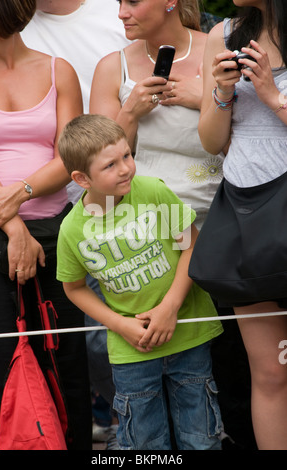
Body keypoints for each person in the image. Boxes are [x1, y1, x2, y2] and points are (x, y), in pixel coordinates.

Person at [56, 113, 224, 450]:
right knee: (145, 442)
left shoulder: (153, 191)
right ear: (81, 178)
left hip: (188, 334)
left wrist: (169, 308)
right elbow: (73, 288)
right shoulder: (71, 230)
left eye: (127, 156)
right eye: (110, 165)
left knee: (200, 438)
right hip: (132, 349)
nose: (125, 168)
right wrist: (120, 325)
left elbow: (191, 246)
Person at [21, 0, 131, 447]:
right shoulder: (12, 24)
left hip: (129, 195)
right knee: (85, 343)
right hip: (58, 215)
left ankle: (142, 427)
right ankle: (124, 422)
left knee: (127, 331)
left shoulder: (116, 11)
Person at [0, 0, 91, 450]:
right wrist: (14, 229)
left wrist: (20, 193)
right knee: (3, 359)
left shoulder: (58, 71)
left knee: (66, 359)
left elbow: (70, 154)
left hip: (57, 230)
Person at [197, 0, 287, 450]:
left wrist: (272, 95)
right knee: (270, 371)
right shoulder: (225, 33)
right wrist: (224, 92)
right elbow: (212, 142)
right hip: (246, 212)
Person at [89, 0, 224, 232]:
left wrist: (204, 99)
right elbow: (98, 162)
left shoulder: (219, 53)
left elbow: (250, 139)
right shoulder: (112, 67)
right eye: (119, 2)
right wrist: (130, 111)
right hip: (144, 224)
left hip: (216, 217)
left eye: (133, 2)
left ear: (171, 2)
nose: (121, 13)